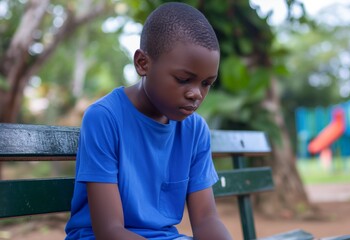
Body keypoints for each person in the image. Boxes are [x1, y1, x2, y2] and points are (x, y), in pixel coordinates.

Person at [65, 2, 232, 240]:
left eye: (206, 83)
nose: (196, 93)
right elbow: (109, 231)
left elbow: (206, 220)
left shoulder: (194, 130)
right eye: (184, 79)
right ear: (143, 64)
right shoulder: (105, 118)